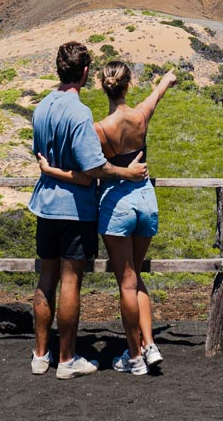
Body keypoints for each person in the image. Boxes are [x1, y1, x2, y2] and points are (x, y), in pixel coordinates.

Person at [38, 61, 177, 376]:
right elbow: (156, 96)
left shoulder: (99, 129)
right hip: (146, 200)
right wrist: (166, 79)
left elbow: (88, 171)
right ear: (128, 85)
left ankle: (134, 357)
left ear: (102, 87)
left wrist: (50, 170)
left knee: (126, 282)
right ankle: (149, 344)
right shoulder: (141, 117)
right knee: (137, 277)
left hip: (118, 205)